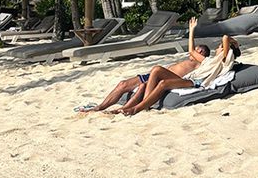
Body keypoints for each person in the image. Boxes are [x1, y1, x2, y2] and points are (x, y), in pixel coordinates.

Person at [82, 18, 212, 115]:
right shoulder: (192, 59)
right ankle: (103, 107)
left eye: (198, 50)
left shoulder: (201, 62)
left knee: (156, 69)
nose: (195, 50)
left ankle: (144, 105)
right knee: (124, 84)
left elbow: (191, 51)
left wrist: (192, 31)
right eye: (196, 48)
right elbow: (191, 50)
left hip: (166, 77)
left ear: (202, 54)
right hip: (154, 76)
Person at [117, 26, 241, 117]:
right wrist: (191, 30)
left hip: (196, 82)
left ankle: (136, 109)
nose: (217, 49)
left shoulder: (223, 61)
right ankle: (145, 104)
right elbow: (192, 51)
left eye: (220, 47)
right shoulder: (209, 60)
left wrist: (232, 42)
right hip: (187, 79)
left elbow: (225, 37)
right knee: (156, 69)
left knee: (163, 84)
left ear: (227, 51)